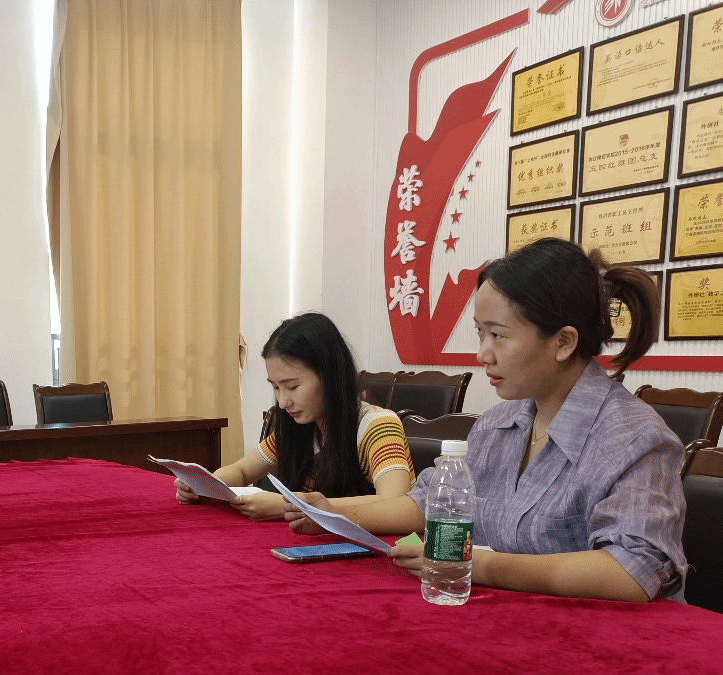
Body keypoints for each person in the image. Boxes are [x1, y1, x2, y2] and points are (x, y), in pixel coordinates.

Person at [286, 238, 687, 602]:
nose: (482, 354)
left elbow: (631, 572)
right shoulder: (497, 425)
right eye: (480, 333)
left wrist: (472, 564)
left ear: (564, 342)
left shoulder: (635, 438)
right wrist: (334, 514)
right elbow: (427, 502)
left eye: (498, 335)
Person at [175, 312, 414, 520]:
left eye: (292, 386)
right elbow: (242, 471)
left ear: (330, 376)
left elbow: (395, 502)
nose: (282, 402)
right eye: (275, 387)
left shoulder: (378, 426)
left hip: (394, 546)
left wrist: (289, 507)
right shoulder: (299, 425)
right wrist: (205, 485)